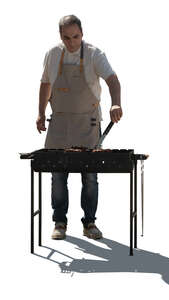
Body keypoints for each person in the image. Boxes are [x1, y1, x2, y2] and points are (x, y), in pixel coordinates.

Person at [36, 15, 122, 240]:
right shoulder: (53, 54)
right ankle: (60, 222)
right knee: (57, 175)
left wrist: (115, 102)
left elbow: (112, 79)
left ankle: (90, 223)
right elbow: (45, 84)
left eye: (75, 37)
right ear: (60, 36)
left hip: (88, 123)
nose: (71, 42)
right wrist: (41, 113)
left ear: (82, 34)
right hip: (60, 123)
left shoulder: (95, 54)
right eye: (66, 38)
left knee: (90, 176)